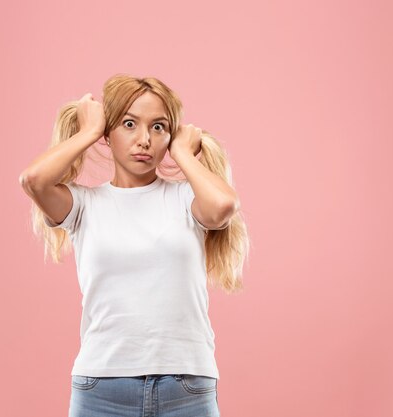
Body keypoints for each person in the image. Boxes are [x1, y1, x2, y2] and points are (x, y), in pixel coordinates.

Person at [19, 74, 250, 417]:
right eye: (129, 124)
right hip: (102, 389)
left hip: (187, 387)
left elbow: (224, 206)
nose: (144, 140)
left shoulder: (186, 198)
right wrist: (88, 132)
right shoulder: (84, 205)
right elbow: (33, 180)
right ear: (108, 134)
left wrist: (183, 154)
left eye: (158, 127)